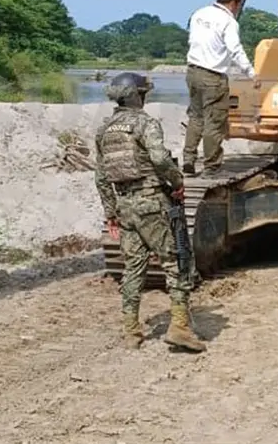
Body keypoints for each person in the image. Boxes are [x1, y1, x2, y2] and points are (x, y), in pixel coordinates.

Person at [94, 72, 207, 353]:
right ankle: (179, 327)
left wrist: (111, 212)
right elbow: (158, 158)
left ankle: (131, 331)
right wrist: (178, 182)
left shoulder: (105, 129)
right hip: (151, 203)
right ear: (137, 95)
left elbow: (100, 176)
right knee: (176, 261)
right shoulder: (144, 123)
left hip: (125, 206)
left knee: (133, 268)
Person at [184, 0, 259, 178]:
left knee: (196, 117)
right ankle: (212, 167)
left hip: (192, 72)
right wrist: (251, 73)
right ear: (234, 3)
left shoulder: (199, 14)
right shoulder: (228, 22)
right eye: (239, 5)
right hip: (213, 76)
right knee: (214, 123)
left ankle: (188, 160)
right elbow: (235, 49)